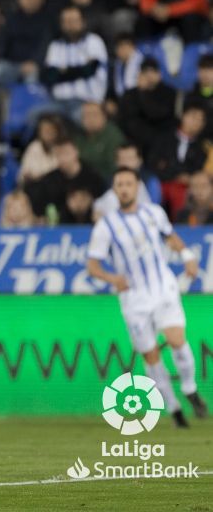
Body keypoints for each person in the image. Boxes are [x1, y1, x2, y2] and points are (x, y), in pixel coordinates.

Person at [87, 167, 207, 428]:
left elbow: (170, 236)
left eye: (129, 183)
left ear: (137, 187)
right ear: (114, 190)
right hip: (134, 300)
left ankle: (189, 388)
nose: (124, 188)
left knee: (177, 340)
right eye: (119, 184)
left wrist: (186, 255)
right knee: (151, 355)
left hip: (163, 287)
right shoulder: (106, 226)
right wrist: (113, 279)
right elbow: (93, 266)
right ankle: (174, 408)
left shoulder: (154, 213)